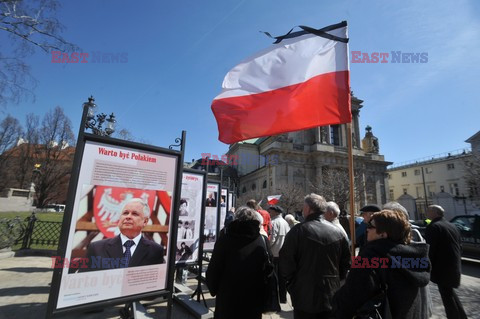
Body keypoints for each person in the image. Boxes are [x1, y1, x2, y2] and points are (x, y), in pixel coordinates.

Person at [334, 210, 431, 319]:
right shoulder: (414, 256)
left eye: (371, 226)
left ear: (383, 234)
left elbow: (350, 297)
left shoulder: (371, 256)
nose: (367, 229)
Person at [279, 193, 350, 319]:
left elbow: (285, 262)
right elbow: (345, 264)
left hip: (304, 295)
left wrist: (292, 285)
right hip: (330, 293)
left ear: (308, 209)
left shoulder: (298, 231)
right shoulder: (338, 232)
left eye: (303, 207)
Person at [206, 206, 269, 319]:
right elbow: (266, 271)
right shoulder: (261, 240)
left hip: (228, 299)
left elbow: (214, 269)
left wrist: (213, 289)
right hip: (252, 300)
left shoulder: (225, 239)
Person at [84, 198, 165, 271]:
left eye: (134, 214)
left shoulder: (156, 251)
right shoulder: (96, 248)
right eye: (125, 213)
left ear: (145, 221)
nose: (128, 217)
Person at [425, 205, 467, 319]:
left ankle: (454, 316)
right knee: (448, 292)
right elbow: (460, 246)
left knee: (446, 295)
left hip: (441, 267)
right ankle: (461, 316)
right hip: (453, 264)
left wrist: (426, 266)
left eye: (428, 210)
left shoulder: (433, 226)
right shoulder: (452, 225)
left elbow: (430, 249)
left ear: (435, 212)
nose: (426, 213)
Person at [268, 205, 290, 304]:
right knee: (282, 278)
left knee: (274, 278)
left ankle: (274, 300)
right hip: (283, 254)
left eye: (270, 211)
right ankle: (283, 298)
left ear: (276, 212)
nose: (269, 213)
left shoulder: (273, 222)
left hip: (274, 253)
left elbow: (272, 238)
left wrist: (267, 247)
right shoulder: (285, 222)